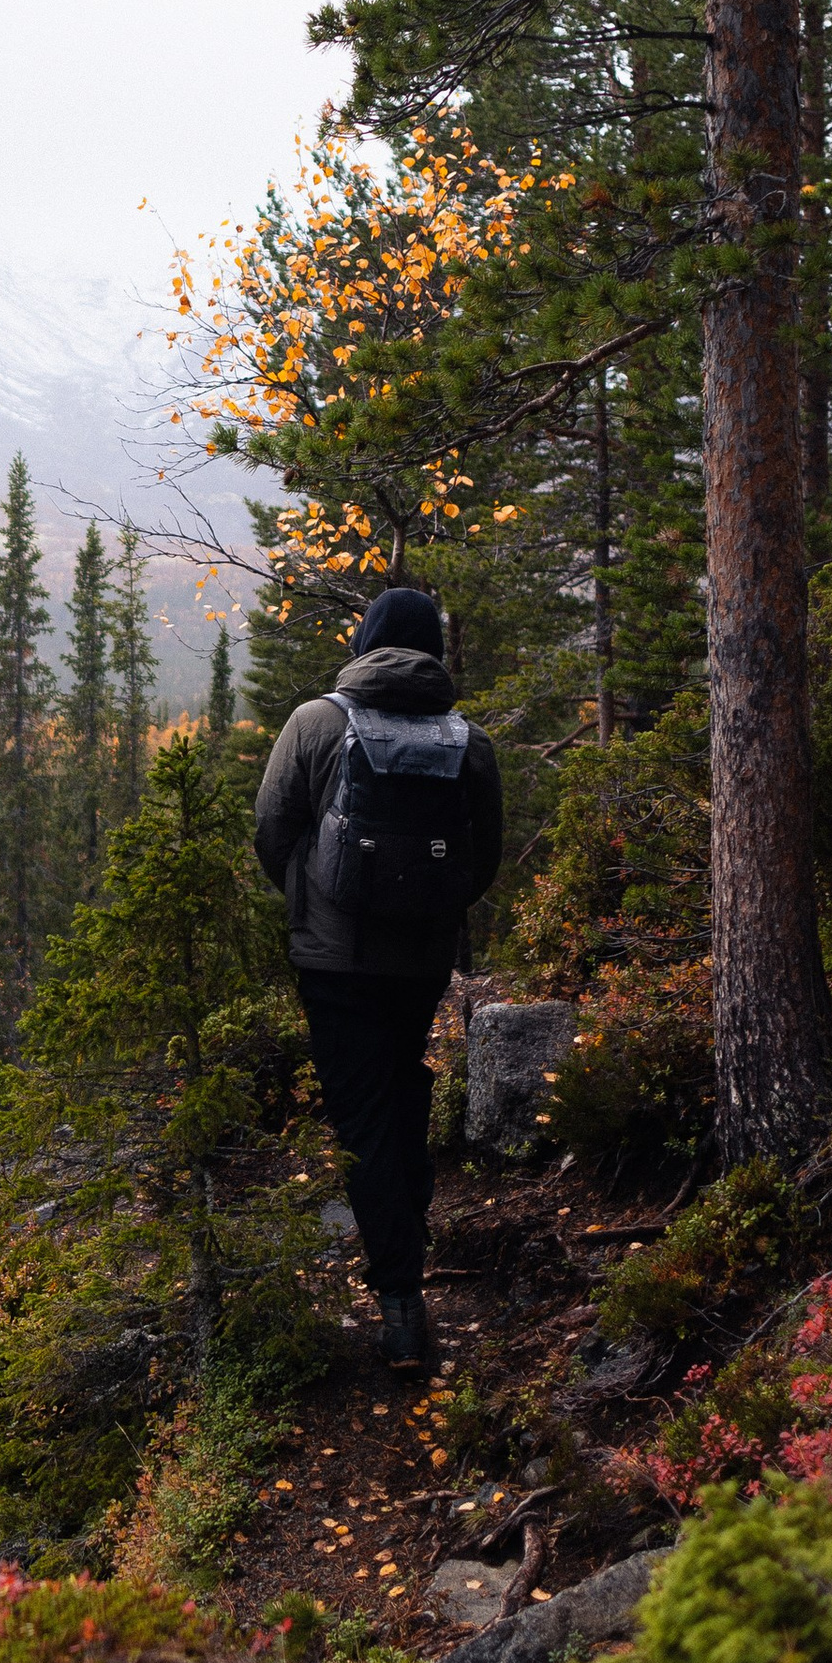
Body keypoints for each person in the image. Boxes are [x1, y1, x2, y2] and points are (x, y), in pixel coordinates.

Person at [252, 585, 502, 1366]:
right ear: (435, 650)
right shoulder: (470, 740)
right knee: (401, 1087)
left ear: (364, 643)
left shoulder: (316, 722)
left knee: (362, 1118)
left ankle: (401, 1299)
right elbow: (482, 860)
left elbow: (271, 828)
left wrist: (310, 902)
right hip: (421, 959)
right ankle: (409, 1228)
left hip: (334, 959)